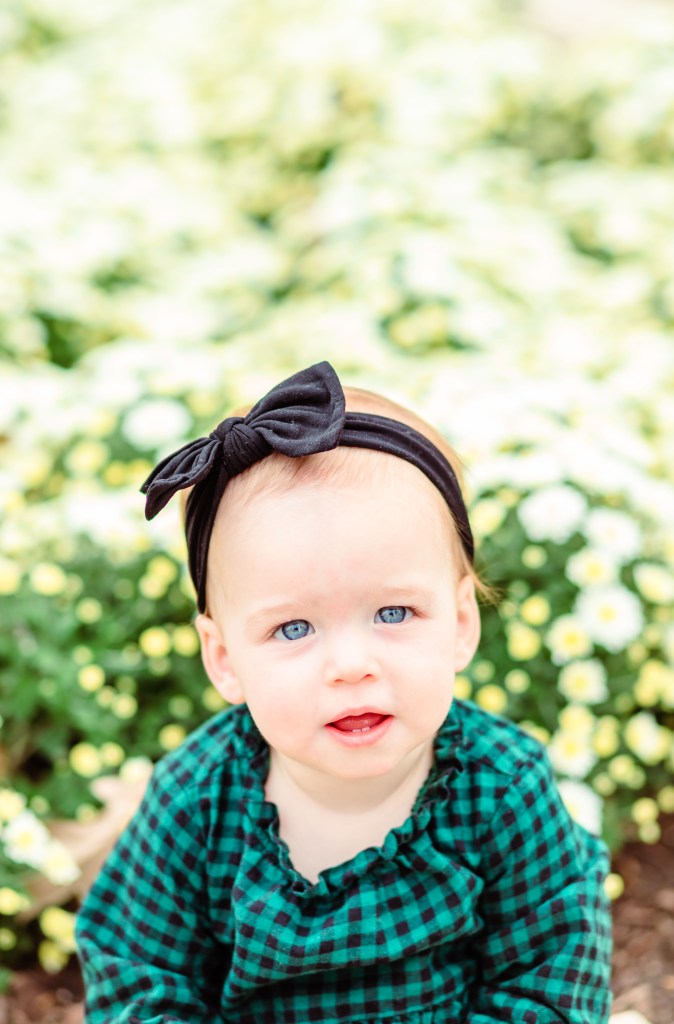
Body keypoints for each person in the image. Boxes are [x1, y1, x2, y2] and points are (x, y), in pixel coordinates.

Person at [75, 361, 613, 1023]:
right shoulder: (196, 800)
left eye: (393, 613)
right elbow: (138, 977)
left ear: (460, 624)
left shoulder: (502, 789)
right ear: (225, 659)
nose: (351, 666)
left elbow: (551, 978)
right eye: (293, 628)